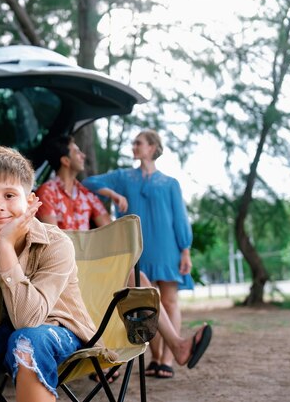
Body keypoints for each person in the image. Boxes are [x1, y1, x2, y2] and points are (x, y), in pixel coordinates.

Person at [0, 146, 109, 402]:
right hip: (3, 331)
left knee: (28, 340)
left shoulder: (56, 243)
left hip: (58, 332)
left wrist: (6, 246)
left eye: (9, 195)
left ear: (30, 201)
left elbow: (28, 320)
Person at [38, 135, 211, 380]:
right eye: (77, 151)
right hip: (64, 274)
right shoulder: (47, 192)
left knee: (138, 279)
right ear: (65, 160)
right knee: (122, 288)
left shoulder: (86, 196)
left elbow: (111, 235)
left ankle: (177, 347)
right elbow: (56, 240)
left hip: (95, 270)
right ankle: (107, 356)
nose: (83, 155)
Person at [82, 129, 201, 379]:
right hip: (138, 247)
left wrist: (185, 250)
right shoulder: (124, 176)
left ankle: (165, 359)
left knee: (169, 301)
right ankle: (154, 359)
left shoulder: (170, 183)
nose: (134, 146)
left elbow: (180, 217)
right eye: (134, 142)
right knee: (150, 303)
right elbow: (89, 183)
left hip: (168, 247)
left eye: (139, 143)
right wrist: (113, 194)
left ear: (153, 147)